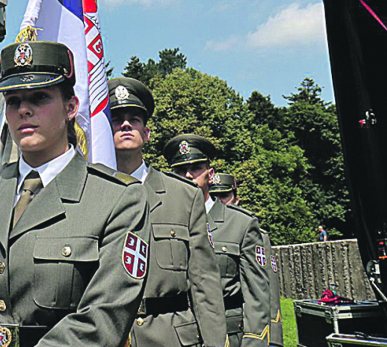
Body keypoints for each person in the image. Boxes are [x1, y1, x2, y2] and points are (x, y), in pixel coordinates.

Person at [0, 41, 150, 347]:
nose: (24, 109)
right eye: (13, 100)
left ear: (71, 107)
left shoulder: (117, 199)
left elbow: (104, 318)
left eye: (40, 97)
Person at [108, 77, 225, 347]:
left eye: (135, 119)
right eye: (116, 119)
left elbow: (204, 283)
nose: (126, 124)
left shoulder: (184, 196)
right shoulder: (87, 193)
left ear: (146, 133)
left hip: (170, 337)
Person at [165, 135, 270, 347]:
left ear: (210, 174)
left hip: (229, 336)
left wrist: (254, 342)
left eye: (196, 168)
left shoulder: (240, 224)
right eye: (180, 170)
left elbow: (256, 296)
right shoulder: (162, 222)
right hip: (178, 336)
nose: (188, 175)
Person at [210, 173, 283, 347]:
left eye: (225, 196)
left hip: (237, 327)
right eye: (215, 196)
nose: (219, 201)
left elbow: (267, 289)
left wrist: (272, 338)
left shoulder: (255, 234)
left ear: (236, 199)